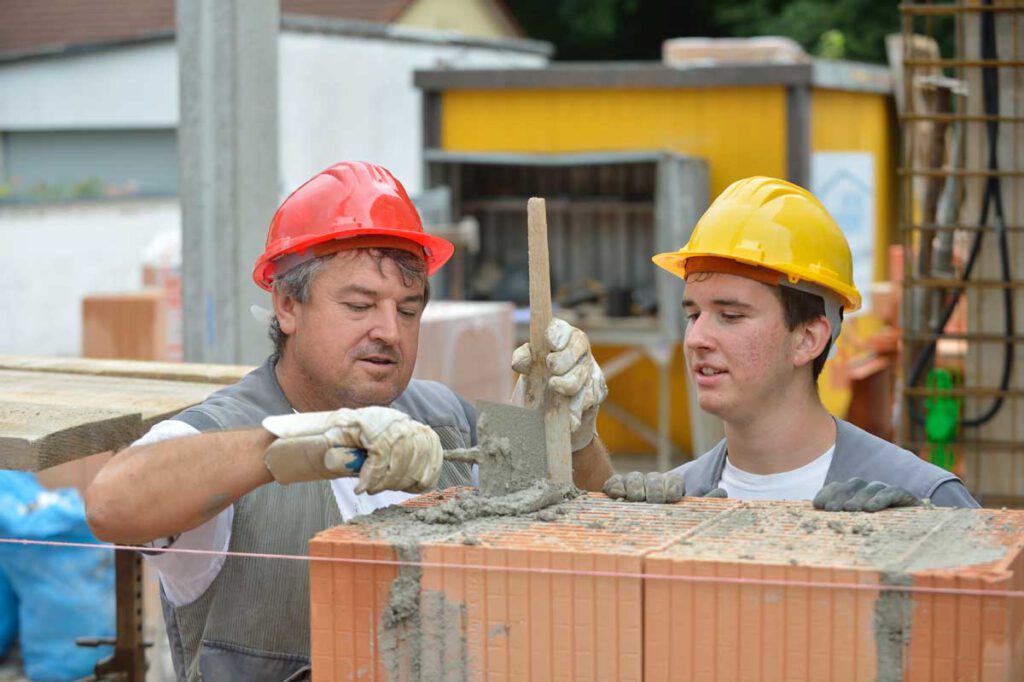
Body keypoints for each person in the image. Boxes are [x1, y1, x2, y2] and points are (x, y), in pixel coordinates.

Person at [84, 161, 613, 681]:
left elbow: (585, 533)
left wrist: (571, 434)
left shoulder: (445, 418)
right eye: (360, 305)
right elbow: (112, 503)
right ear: (287, 305)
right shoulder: (226, 430)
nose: (390, 331)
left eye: (408, 310)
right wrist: (299, 445)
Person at [603, 176, 978, 511]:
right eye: (693, 315)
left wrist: (926, 540)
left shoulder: (924, 500)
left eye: (730, 316)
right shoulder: (679, 500)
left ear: (808, 339)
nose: (697, 338)